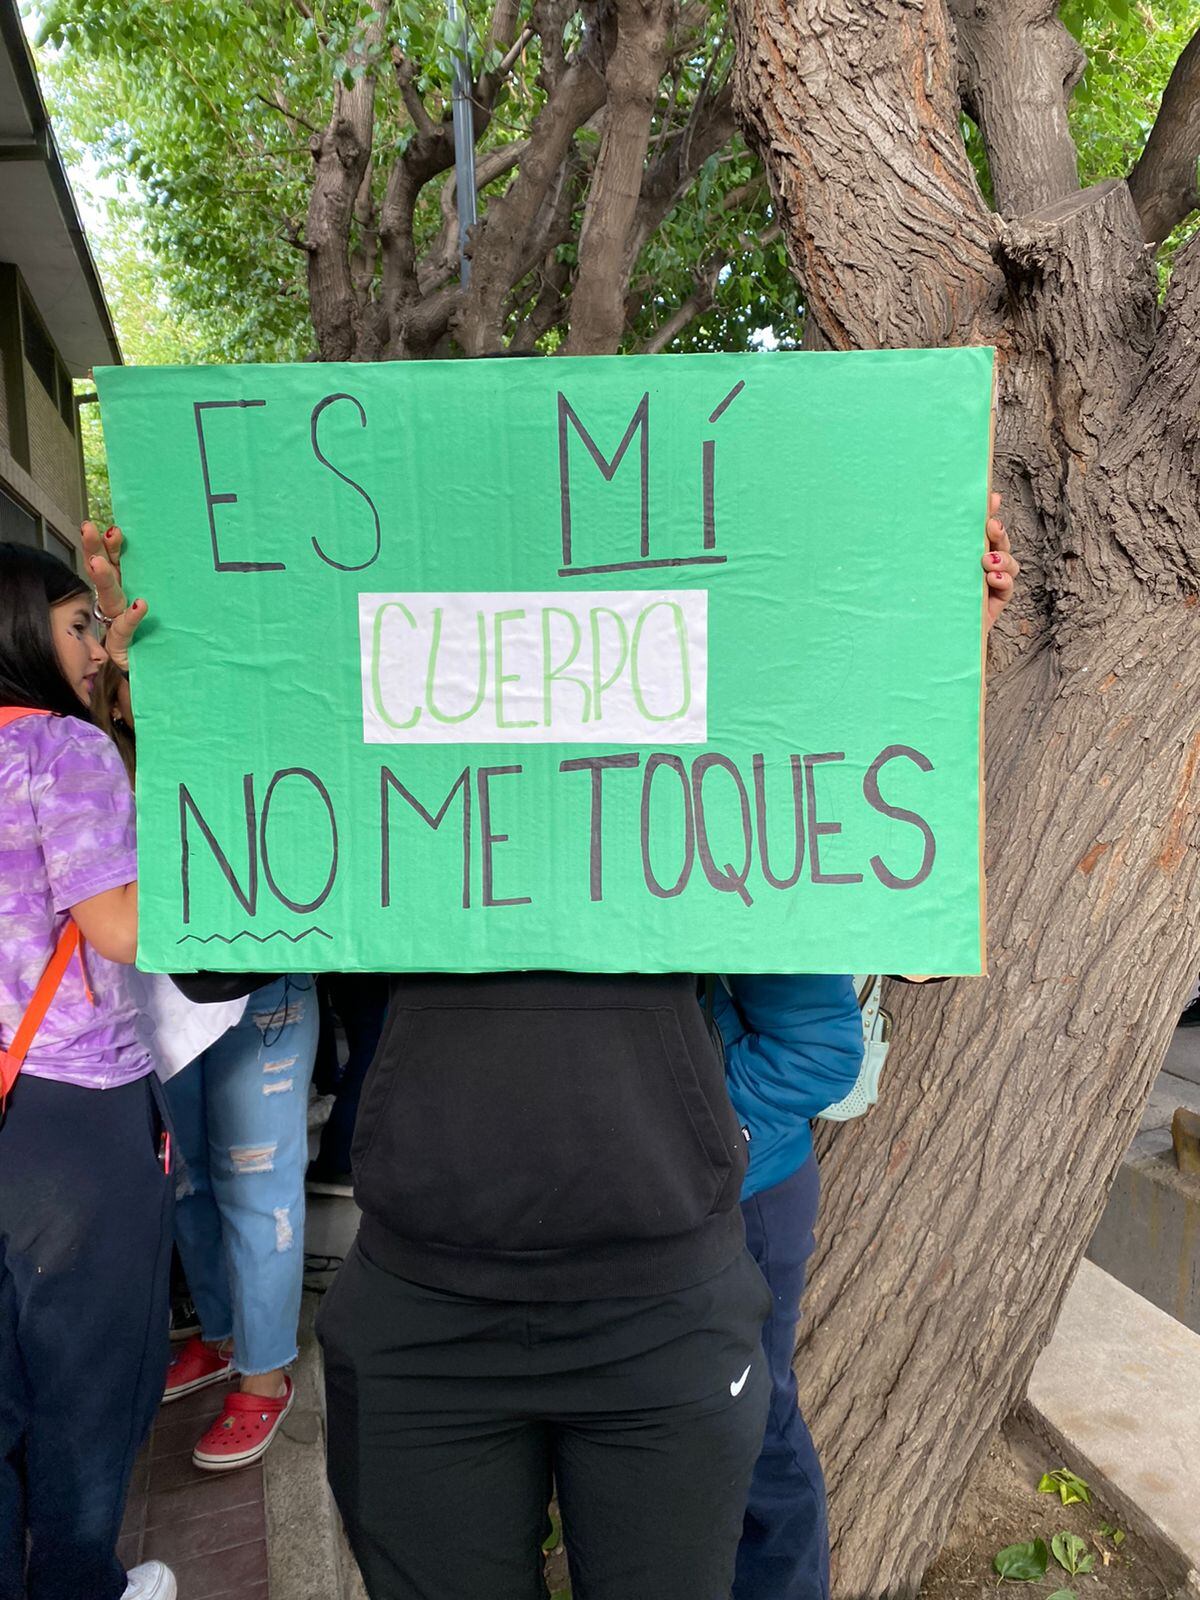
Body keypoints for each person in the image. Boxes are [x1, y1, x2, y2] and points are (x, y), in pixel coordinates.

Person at [727, 493, 1019, 1600]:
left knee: (755, 1424)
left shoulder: (799, 764)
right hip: (687, 1156)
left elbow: (885, 775)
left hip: (747, 1154)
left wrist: (955, 642)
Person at [90, 657, 320, 1470]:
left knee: (256, 1178)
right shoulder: (86, 761)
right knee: (186, 1177)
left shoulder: (245, 740)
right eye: (113, 654)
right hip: (156, 1000)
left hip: (259, 988)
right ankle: (222, 1336)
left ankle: (266, 1375)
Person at [0, 541, 175, 1600]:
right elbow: (116, 924)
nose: (90, 648)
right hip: (74, 1108)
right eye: (75, 626)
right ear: (24, 628)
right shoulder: (62, 751)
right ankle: (80, 1583)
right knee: (88, 1374)